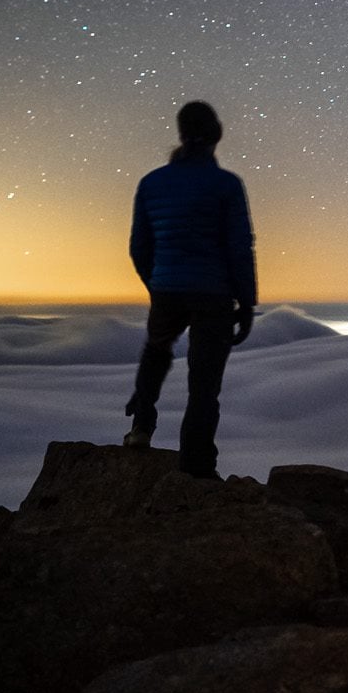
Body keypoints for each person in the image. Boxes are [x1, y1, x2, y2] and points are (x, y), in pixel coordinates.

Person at [123, 101, 257, 478]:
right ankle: (196, 465)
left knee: (156, 352)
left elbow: (138, 247)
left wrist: (158, 283)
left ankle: (141, 427)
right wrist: (246, 303)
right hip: (213, 294)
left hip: (166, 287)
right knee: (204, 384)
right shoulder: (226, 185)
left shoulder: (151, 183)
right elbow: (239, 248)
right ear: (215, 136)